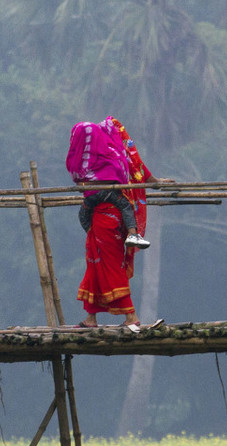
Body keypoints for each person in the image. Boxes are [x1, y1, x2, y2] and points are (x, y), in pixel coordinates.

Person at [67, 117, 161, 331]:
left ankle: (131, 317)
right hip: (98, 218)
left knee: (110, 265)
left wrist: (155, 180)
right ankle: (90, 318)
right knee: (95, 264)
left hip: (107, 220)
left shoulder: (92, 163)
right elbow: (133, 165)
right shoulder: (109, 156)